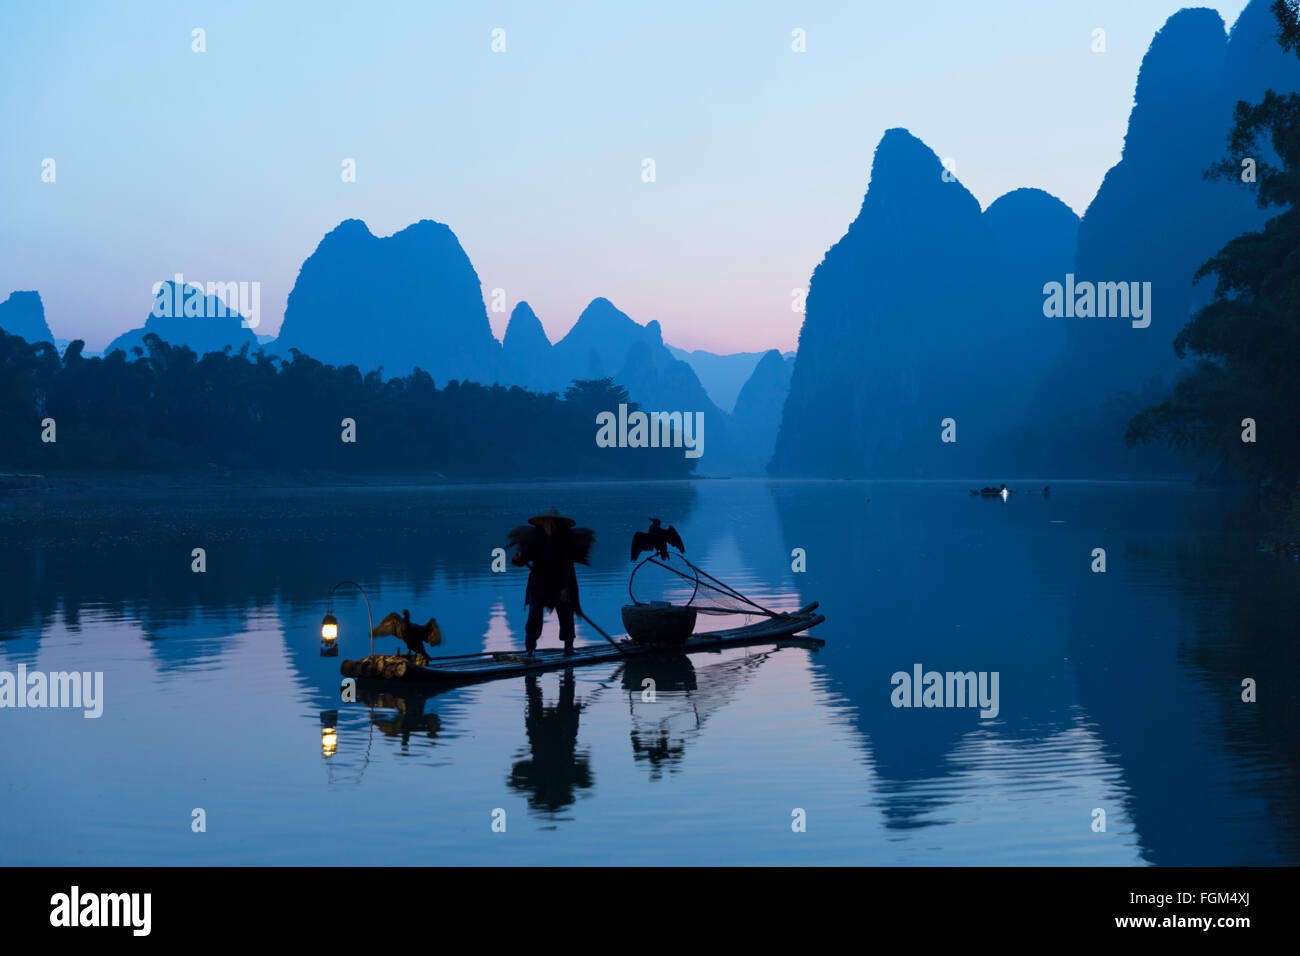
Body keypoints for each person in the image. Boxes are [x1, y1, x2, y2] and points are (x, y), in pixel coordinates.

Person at [508, 511, 594, 657]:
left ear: (556, 524)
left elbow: (567, 566)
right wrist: (517, 560)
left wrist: (566, 589)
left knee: (566, 614)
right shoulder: (535, 539)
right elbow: (524, 559)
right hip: (538, 584)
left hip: (560, 584)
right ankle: (530, 649)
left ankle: (568, 648)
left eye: (551, 522)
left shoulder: (564, 541)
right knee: (534, 616)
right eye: (546, 522)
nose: (548, 525)